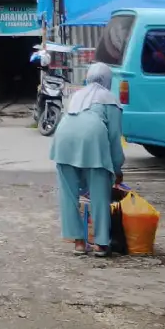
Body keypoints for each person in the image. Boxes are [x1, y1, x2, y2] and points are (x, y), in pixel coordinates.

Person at [49, 62, 124, 257]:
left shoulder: (77, 96)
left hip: (64, 137)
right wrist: (117, 169)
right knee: (100, 193)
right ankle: (101, 244)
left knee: (68, 194)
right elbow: (114, 138)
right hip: (93, 138)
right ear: (108, 80)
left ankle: (79, 243)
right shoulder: (110, 99)